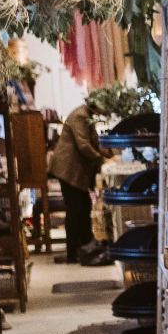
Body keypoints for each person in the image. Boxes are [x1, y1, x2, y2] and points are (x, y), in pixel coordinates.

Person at [47, 103, 106, 264]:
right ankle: (74, 252)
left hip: (73, 171)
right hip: (68, 171)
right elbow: (84, 145)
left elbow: (92, 142)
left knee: (82, 207)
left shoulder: (85, 115)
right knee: (76, 209)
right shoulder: (80, 116)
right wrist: (101, 159)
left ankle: (84, 248)